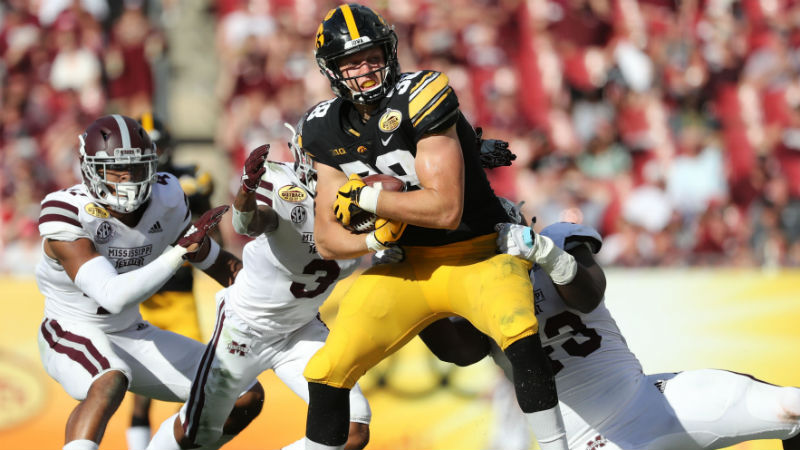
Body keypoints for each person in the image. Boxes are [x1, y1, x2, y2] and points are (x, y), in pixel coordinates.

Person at [297, 4, 568, 450]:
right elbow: (327, 240)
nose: (364, 70)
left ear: (390, 52)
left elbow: (445, 210)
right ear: (332, 70)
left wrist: (369, 198)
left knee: (519, 334)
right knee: (329, 368)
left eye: (372, 56)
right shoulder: (322, 127)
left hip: (477, 251)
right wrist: (376, 236)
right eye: (351, 62)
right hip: (407, 263)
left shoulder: (422, 93)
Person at [421, 217, 800, 450]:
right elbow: (461, 351)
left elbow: (588, 295)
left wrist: (546, 254)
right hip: (585, 441)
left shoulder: (554, 242)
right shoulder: (466, 290)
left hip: (645, 401)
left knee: (790, 405)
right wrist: (416, 292)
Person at [35, 114, 264, 450]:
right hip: (70, 328)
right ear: (89, 170)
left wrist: (276, 293)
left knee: (244, 393)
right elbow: (112, 296)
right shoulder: (66, 210)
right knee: (109, 378)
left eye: (136, 167)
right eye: (115, 169)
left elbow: (212, 260)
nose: (127, 178)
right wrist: (177, 253)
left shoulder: (167, 197)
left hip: (130, 330)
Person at [145, 130, 372, 450]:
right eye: (339, 160)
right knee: (199, 431)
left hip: (300, 328)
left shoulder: (373, 200)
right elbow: (248, 223)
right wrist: (246, 194)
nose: (350, 168)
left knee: (352, 428)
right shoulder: (282, 184)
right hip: (245, 326)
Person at [125, 114, 215, 450]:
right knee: (138, 391)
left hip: (178, 294)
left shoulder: (188, 179)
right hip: (141, 296)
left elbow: (208, 222)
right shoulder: (126, 181)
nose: (153, 151)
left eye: (157, 143)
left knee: (196, 384)